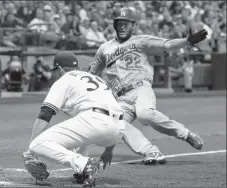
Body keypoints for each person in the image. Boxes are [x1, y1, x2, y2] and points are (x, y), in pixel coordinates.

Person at [88, 7, 207, 164]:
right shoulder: (104, 48)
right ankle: (151, 151)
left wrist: (187, 41)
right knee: (115, 124)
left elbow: (168, 45)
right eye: (119, 23)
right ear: (115, 26)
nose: (122, 26)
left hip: (140, 88)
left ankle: (185, 134)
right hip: (120, 99)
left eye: (126, 23)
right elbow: (91, 74)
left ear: (133, 26)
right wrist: (108, 150)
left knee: (144, 114)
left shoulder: (142, 41)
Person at [22, 51, 125, 187]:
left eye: (54, 71)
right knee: (82, 126)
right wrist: (108, 150)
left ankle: (84, 164)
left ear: (59, 69)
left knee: (36, 144)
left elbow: (45, 114)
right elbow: (113, 113)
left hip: (95, 121)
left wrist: (31, 152)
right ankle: (81, 172)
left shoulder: (65, 79)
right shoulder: (97, 79)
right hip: (118, 129)